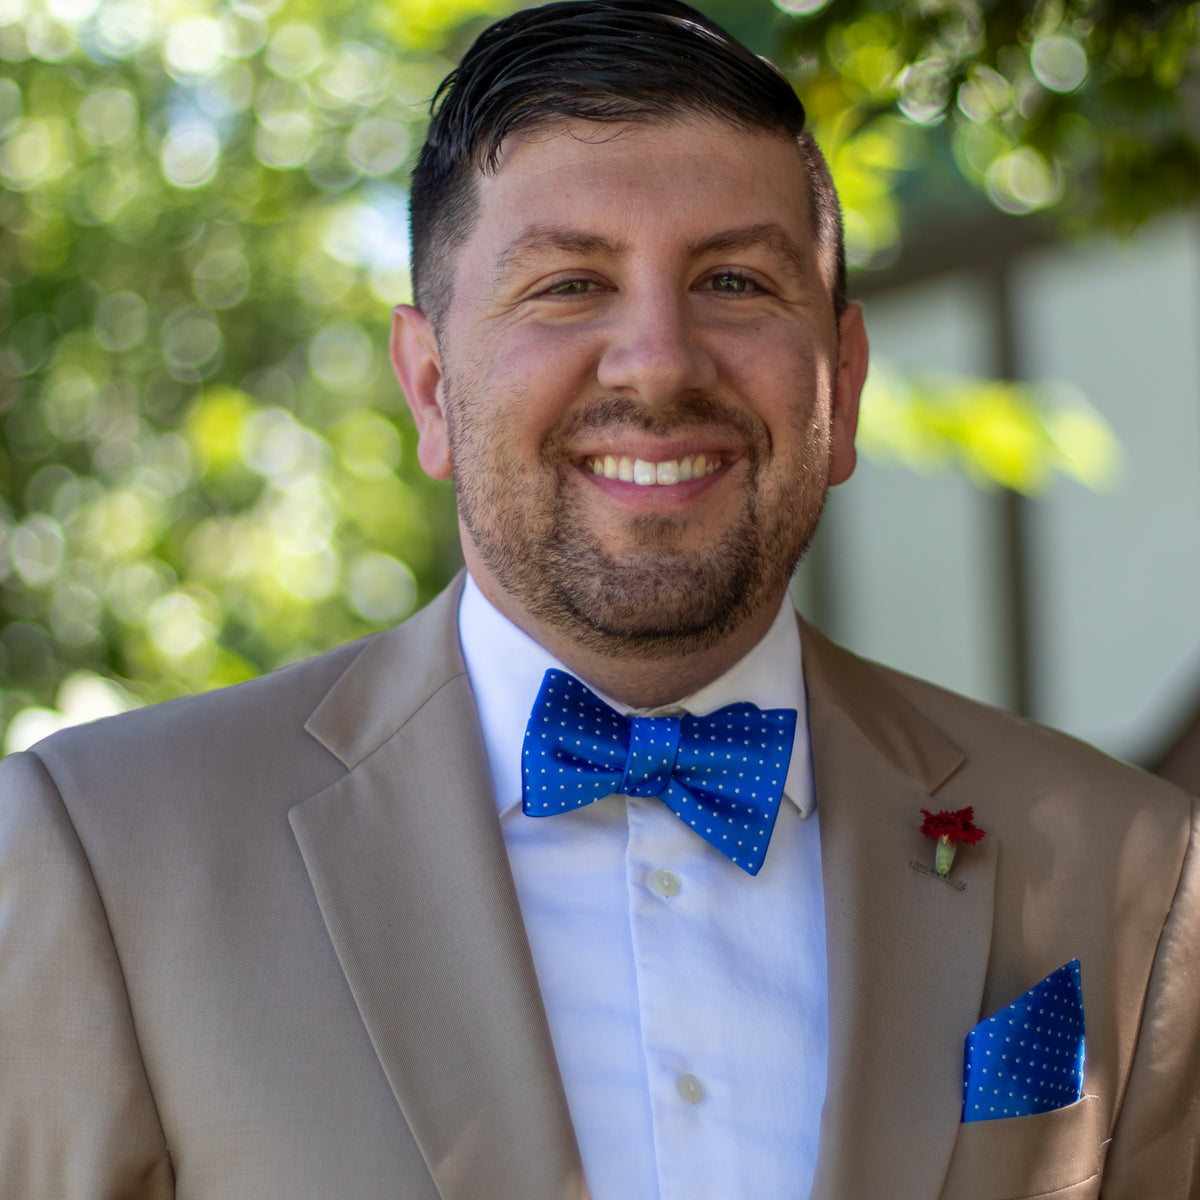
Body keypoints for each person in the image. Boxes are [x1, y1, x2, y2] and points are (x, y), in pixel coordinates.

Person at [0, 2, 1196, 1197]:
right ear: (429, 388)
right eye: (570, 285)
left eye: (733, 280)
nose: (661, 362)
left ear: (846, 382)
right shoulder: (110, 855)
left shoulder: (1127, 862)